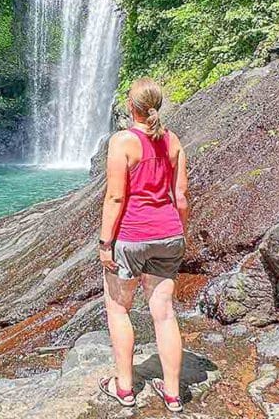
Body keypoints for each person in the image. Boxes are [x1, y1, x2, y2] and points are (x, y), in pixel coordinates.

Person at [97, 77, 189, 413]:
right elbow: (180, 197)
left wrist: (105, 243)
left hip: (131, 238)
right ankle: (173, 394)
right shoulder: (174, 141)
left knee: (119, 309)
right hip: (168, 236)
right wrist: (181, 233)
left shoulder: (123, 141)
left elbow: (116, 196)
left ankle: (124, 388)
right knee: (164, 314)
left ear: (130, 106)